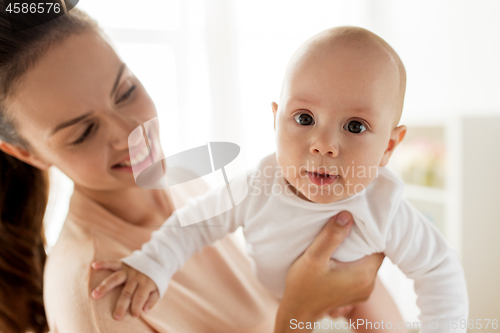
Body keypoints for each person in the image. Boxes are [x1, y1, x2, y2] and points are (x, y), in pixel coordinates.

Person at [0, 7, 392, 333]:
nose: (129, 133)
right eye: (84, 132)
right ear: (26, 152)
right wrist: (301, 310)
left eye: (125, 91)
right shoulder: (96, 296)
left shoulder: (182, 180)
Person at [92, 27, 469, 332]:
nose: (323, 145)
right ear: (276, 120)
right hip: (278, 304)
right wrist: (150, 264)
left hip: (359, 297)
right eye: (304, 118)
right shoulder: (257, 188)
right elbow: (193, 224)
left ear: (388, 146)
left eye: (355, 126)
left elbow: (438, 269)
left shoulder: (383, 206)